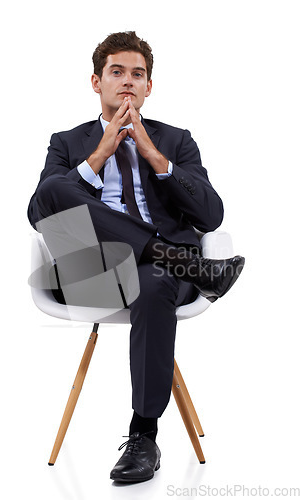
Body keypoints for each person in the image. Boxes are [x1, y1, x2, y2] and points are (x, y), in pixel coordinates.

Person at [27, 31, 244, 483]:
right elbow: (40, 210)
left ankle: (143, 435)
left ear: (149, 87)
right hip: (93, 269)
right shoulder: (67, 142)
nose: (128, 82)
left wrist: (152, 153)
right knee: (52, 188)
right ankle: (180, 261)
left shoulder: (176, 140)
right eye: (117, 72)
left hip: (157, 278)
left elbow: (211, 213)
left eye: (138, 74)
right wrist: (103, 152)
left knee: (153, 281)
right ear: (96, 81)